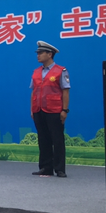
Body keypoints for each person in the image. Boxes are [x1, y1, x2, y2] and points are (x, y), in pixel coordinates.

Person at [31, 40, 70, 178]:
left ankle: (59, 169)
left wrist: (64, 110)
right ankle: (46, 167)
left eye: (41, 53)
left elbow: (65, 91)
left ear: (49, 54)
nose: (38, 55)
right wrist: (32, 109)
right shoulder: (36, 72)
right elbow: (33, 91)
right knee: (43, 139)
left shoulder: (60, 71)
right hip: (38, 109)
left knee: (57, 139)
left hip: (54, 110)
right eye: (37, 53)